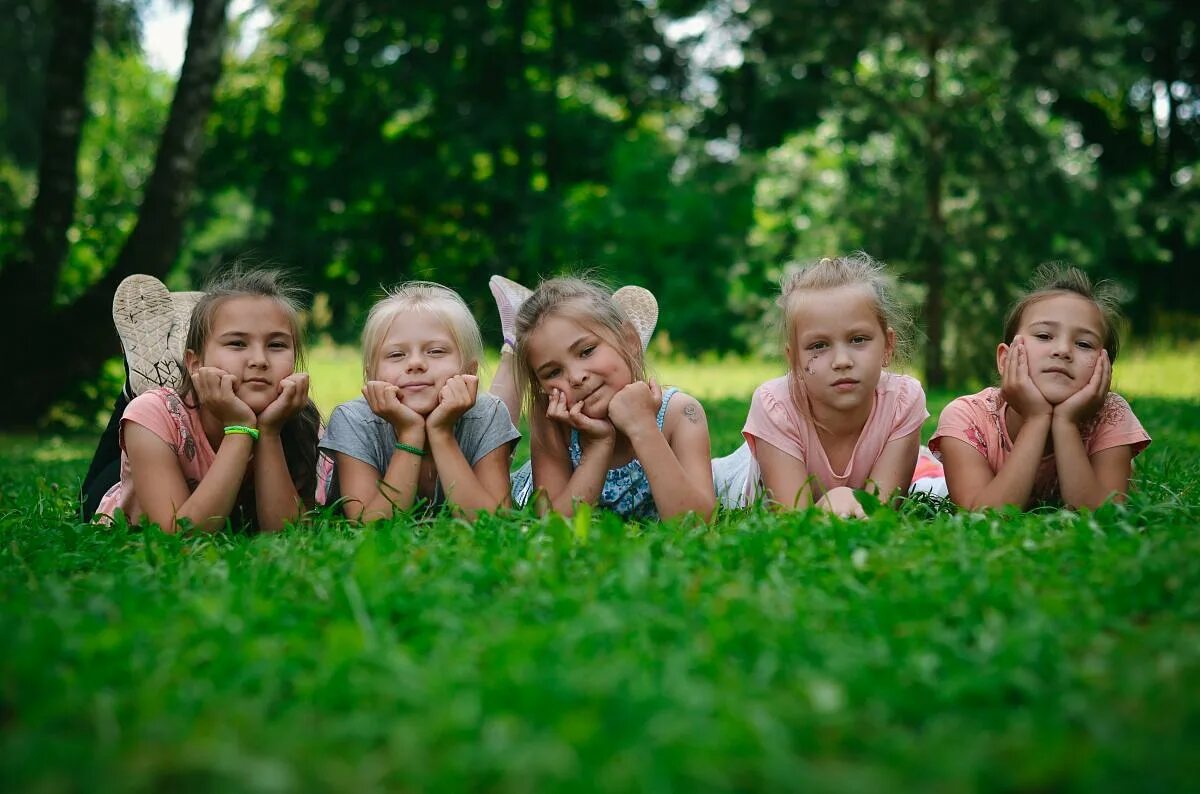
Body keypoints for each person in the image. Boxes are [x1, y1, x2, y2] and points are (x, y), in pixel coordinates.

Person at [94, 269, 321, 532]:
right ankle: (131, 389)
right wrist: (240, 427)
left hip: (170, 438)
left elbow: (289, 536)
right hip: (129, 492)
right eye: (237, 343)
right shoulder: (154, 413)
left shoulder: (299, 418)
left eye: (277, 345)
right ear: (195, 363)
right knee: (140, 412)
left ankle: (172, 357)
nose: (259, 359)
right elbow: (179, 537)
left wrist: (269, 432)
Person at [720, 253, 928, 517]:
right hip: (741, 473)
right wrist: (841, 496)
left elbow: (879, 512)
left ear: (887, 346)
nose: (842, 361)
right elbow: (794, 519)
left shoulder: (903, 401)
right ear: (795, 360)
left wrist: (844, 497)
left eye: (858, 339)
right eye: (819, 346)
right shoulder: (774, 404)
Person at [930, 264, 1150, 510]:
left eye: (1084, 344)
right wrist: (1037, 418)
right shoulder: (968, 418)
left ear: (1105, 366)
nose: (1063, 350)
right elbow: (984, 515)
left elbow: (1104, 515)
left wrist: (1065, 423)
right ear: (1006, 358)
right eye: (1044, 336)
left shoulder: (1111, 414)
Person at [498, 276, 715, 520]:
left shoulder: (681, 414)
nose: (576, 377)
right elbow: (554, 526)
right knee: (494, 443)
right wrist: (599, 446)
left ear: (630, 341)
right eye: (553, 372)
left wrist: (643, 427)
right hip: (526, 485)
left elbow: (695, 524)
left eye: (587, 351)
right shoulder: (552, 417)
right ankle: (510, 348)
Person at [319, 282, 519, 521]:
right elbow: (372, 524)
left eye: (435, 351)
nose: (415, 363)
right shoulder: (352, 420)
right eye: (396, 355)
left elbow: (493, 520)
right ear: (371, 376)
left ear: (470, 371)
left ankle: (515, 347)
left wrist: (441, 432)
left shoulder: (489, 414)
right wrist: (410, 433)